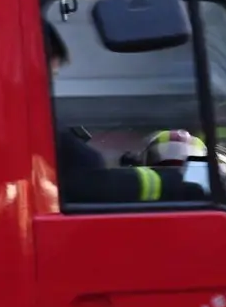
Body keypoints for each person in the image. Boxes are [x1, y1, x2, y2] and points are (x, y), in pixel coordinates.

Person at [44, 21, 201, 205]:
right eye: (49, 75)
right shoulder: (33, 130)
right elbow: (89, 186)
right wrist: (175, 182)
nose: (49, 86)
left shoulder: (41, 128)